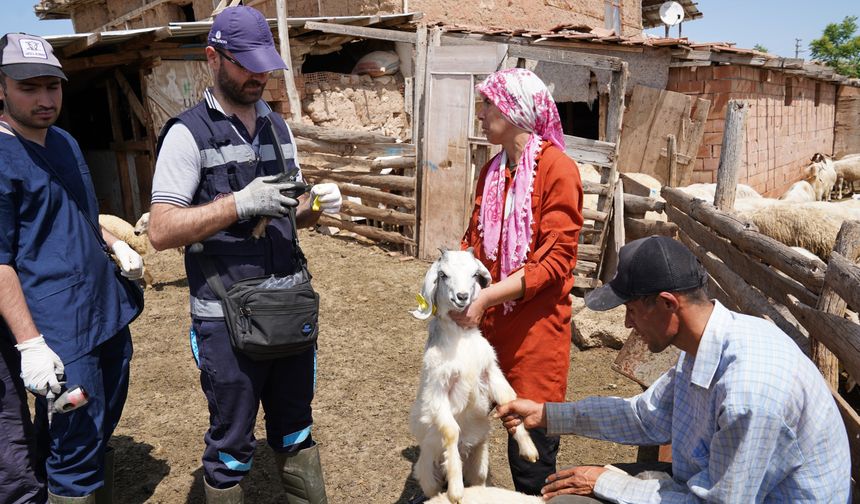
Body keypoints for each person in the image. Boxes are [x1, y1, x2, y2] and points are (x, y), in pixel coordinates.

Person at [147, 6, 341, 503]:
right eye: (246, 64)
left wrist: (315, 205)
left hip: (289, 308)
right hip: (226, 320)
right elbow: (163, 230)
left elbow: (290, 215)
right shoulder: (186, 134)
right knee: (232, 445)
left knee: (297, 429)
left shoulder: (278, 127)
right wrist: (237, 203)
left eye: (265, 64)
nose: (259, 75)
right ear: (213, 57)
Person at [496, 235, 852, 502]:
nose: (627, 323)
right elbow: (645, 416)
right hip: (711, 485)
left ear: (667, 304)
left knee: (576, 495)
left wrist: (608, 482)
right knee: (568, 494)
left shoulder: (749, 392)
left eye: (632, 311)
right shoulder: (704, 345)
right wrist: (547, 414)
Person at [0, 33, 144, 503]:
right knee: (75, 437)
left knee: (101, 419)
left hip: (103, 307)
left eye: (52, 87)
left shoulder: (62, 140)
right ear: (1, 88)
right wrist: (31, 344)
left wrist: (112, 244)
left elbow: (75, 214)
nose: (45, 100)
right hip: (57, 326)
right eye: (29, 88)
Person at [450, 68, 584, 495]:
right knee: (461, 432)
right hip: (486, 329)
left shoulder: (558, 170)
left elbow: (555, 261)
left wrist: (487, 296)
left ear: (514, 110)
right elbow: (473, 240)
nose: (481, 113)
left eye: (488, 104)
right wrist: (455, 282)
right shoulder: (493, 170)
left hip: (534, 333)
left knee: (529, 448)